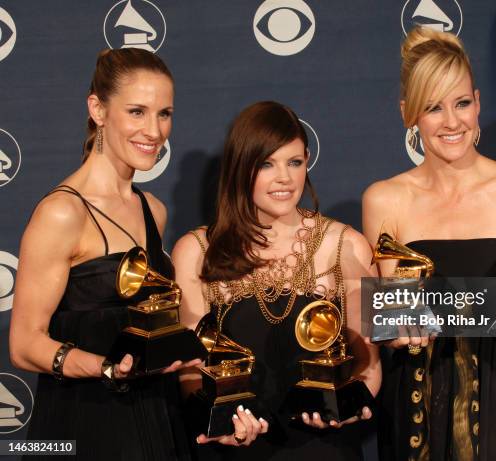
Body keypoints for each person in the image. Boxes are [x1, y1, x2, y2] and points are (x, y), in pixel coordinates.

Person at [362, 27, 496, 461]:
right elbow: (382, 314)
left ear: (478, 103)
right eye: (433, 108)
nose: (452, 122)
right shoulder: (383, 199)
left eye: (462, 103)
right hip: (418, 407)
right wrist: (394, 332)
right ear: (409, 114)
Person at [10, 48, 212, 460]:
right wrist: (106, 367)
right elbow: (24, 343)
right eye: (137, 112)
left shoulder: (152, 209)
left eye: (164, 113)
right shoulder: (63, 212)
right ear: (98, 109)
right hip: (86, 422)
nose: (154, 131)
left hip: (156, 417)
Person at [172, 100, 381, 460]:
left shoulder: (345, 244)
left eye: (295, 162)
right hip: (239, 450)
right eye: (266, 164)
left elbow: (369, 363)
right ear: (241, 168)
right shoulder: (196, 251)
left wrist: (351, 404)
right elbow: (191, 374)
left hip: (326, 449)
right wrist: (220, 422)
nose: (284, 178)